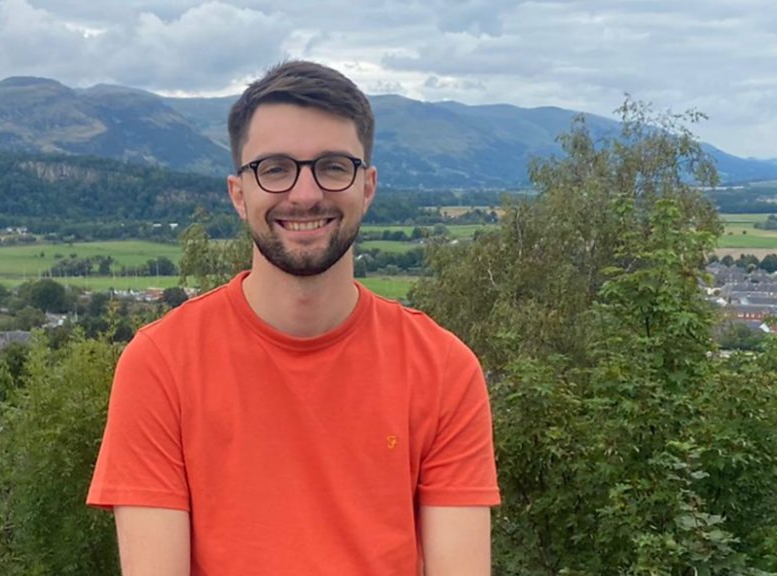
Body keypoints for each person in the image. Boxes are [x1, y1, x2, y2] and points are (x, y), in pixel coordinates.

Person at [87, 60, 500, 576]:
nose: (305, 194)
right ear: (239, 194)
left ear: (368, 187)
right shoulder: (160, 365)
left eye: (333, 166)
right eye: (276, 168)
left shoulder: (442, 369)